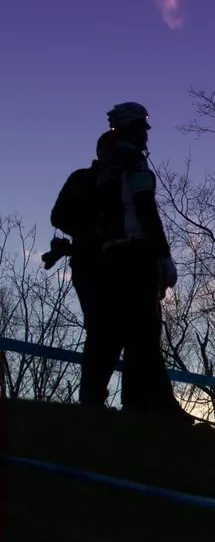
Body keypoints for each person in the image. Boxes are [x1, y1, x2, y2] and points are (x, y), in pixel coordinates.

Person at [94, 102, 189, 423]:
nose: (146, 134)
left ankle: (133, 403)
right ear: (132, 129)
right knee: (146, 332)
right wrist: (162, 254)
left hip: (112, 255)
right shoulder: (132, 162)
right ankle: (159, 405)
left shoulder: (107, 165)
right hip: (137, 255)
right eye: (142, 128)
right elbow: (146, 207)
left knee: (125, 330)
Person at [48, 131, 119, 407]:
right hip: (89, 262)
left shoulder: (123, 182)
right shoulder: (83, 179)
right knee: (100, 327)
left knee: (114, 330)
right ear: (103, 152)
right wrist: (92, 229)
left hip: (119, 265)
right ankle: (92, 397)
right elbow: (58, 216)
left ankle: (101, 397)